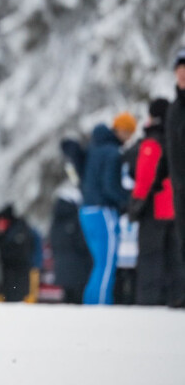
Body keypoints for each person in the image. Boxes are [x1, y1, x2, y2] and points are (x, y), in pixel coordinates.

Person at [129, 98, 185, 306]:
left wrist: (136, 205)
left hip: (155, 210)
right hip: (177, 210)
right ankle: (177, 300)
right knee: (176, 261)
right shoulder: (176, 138)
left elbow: (145, 176)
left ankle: (149, 304)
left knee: (150, 260)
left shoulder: (152, 142)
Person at [78, 112, 136, 305]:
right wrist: (127, 199)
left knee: (99, 262)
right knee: (107, 261)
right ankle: (101, 304)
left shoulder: (94, 147)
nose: (129, 138)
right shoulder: (112, 152)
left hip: (87, 210)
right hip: (103, 211)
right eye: (128, 132)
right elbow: (110, 185)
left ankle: (91, 302)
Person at [47, 183, 92, 304]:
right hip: (79, 269)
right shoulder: (75, 219)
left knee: (67, 300)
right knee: (78, 302)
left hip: (62, 269)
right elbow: (82, 243)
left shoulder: (56, 222)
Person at [0, 204, 42, 302]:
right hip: (6, 281)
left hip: (17, 280)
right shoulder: (16, 231)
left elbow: (18, 256)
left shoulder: (20, 233)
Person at [165, 48, 185, 263]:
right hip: (180, 188)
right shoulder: (173, 109)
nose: (182, 74)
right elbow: (169, 149)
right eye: (179, 70)